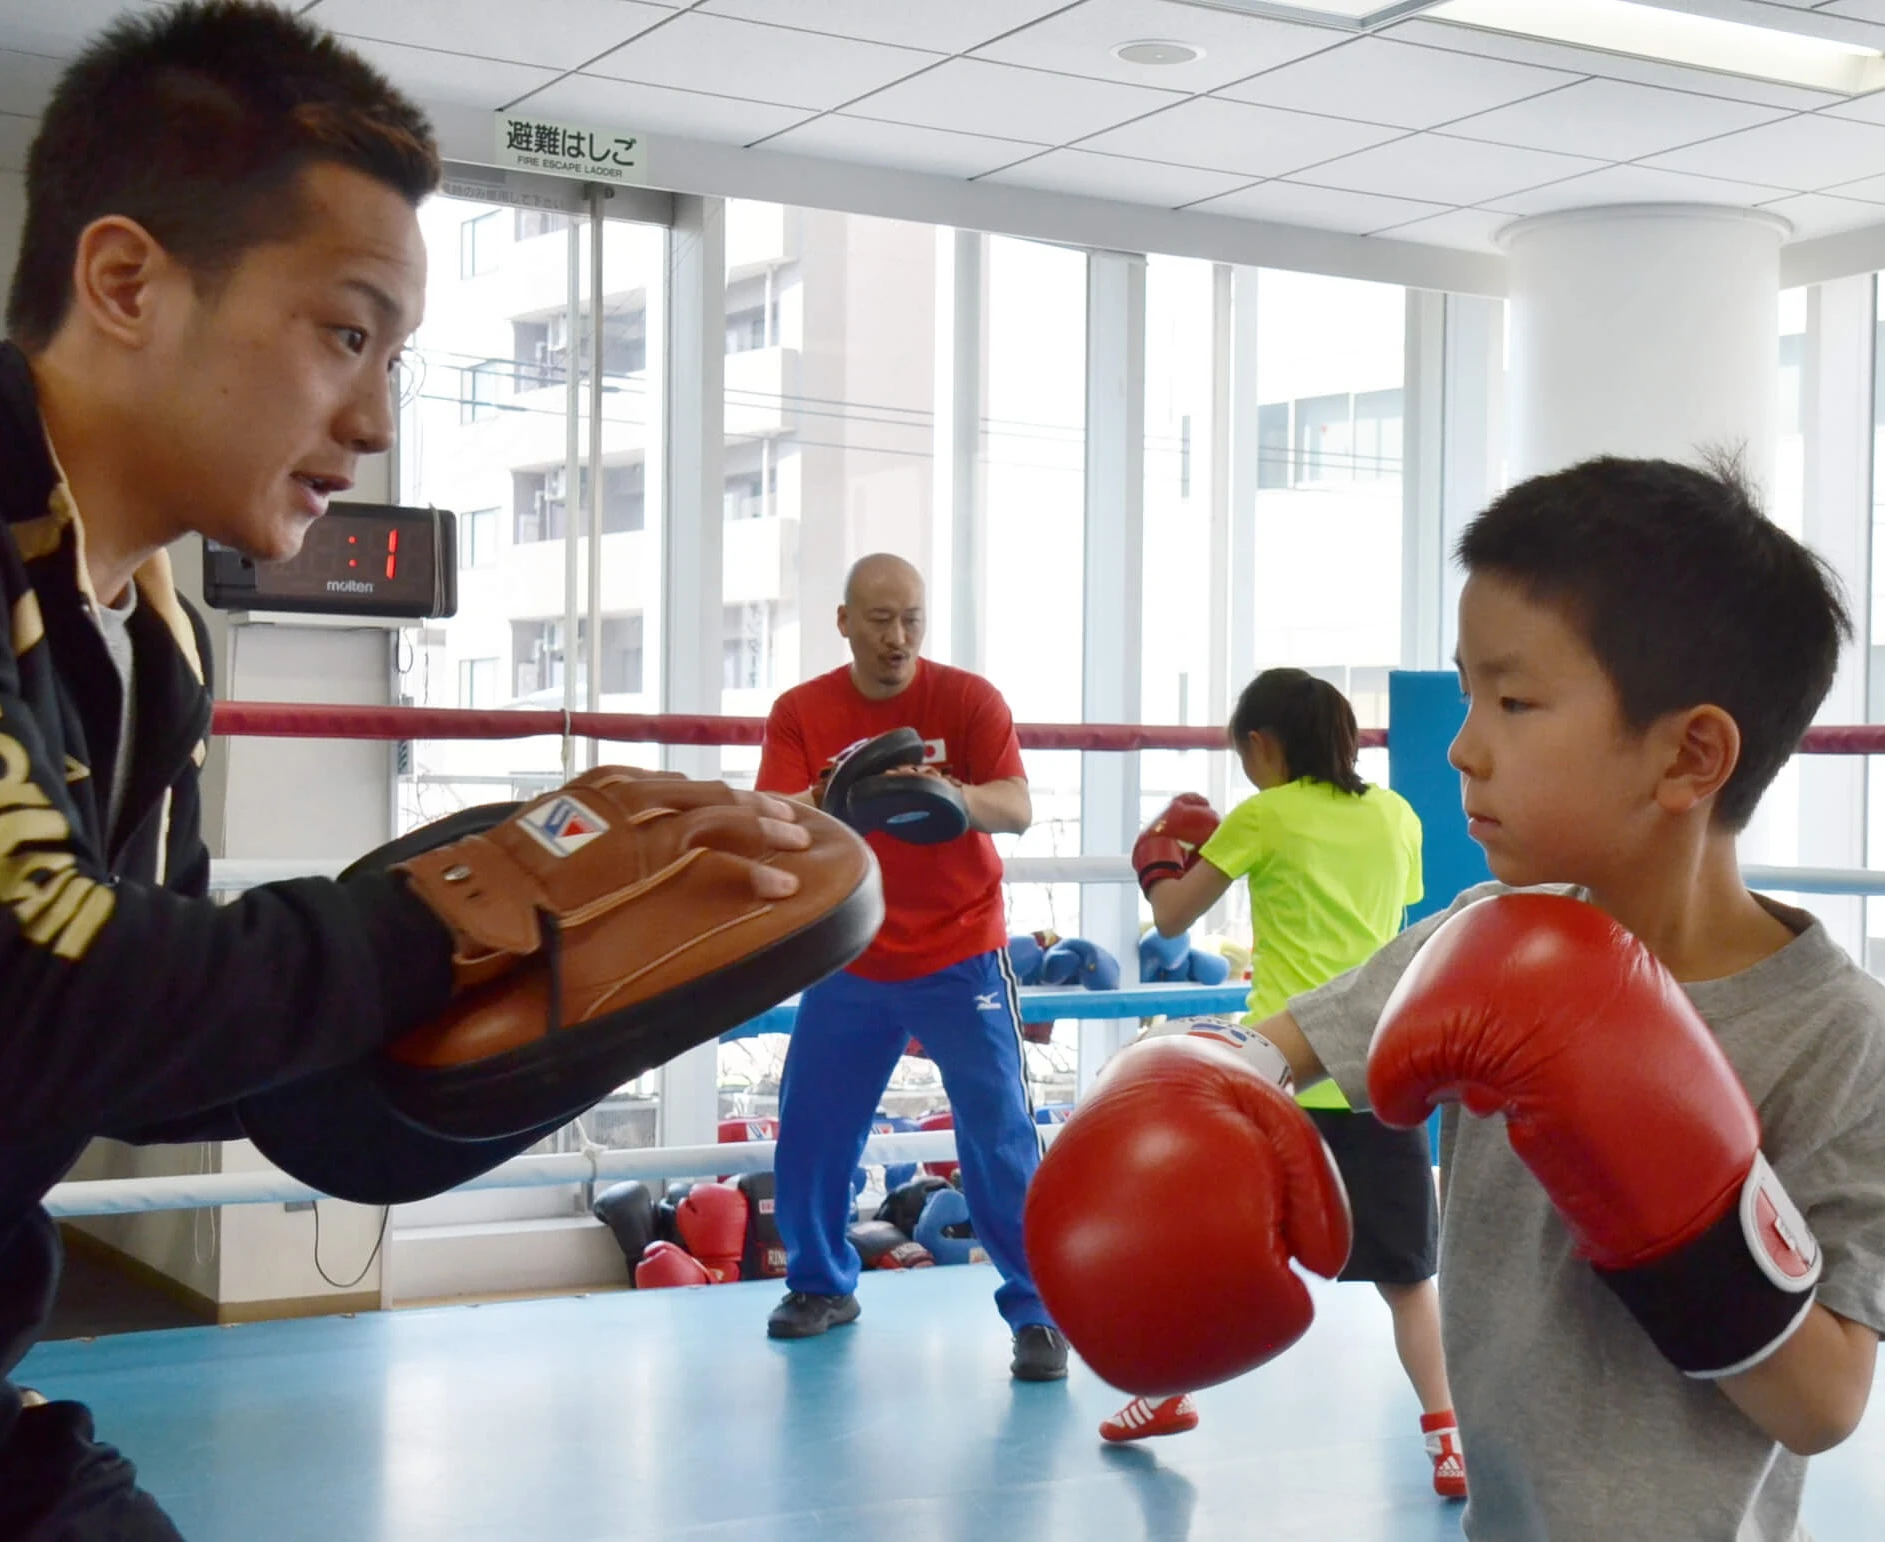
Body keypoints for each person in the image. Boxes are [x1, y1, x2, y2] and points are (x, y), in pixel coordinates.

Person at [0, 7, 817, 1537]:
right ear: (126, 283)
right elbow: (43, 982)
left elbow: (130, 1049)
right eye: (345, 330)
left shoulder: (153, 643)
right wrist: (468, 909)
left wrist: (534, 1018)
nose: (374, 421)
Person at [1027, 456, 1885, 1540]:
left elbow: (1823, 1404)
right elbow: (1263, 1048)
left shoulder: (1839, 1037)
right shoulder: (1483, 934)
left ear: (1690, 755)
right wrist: (1180, 1090)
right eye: (1467, 689)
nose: (1461, 746)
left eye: (1514, 700)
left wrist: (1668, 1184)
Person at [1110, 669, 1464, 1497]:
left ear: (1262, 745)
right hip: (1379, 1070)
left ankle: (1164, 1391)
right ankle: (1448, 1443)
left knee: (1215, 1252)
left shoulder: (1263, 814)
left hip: (1282, 1075)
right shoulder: (1396, 814)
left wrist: (1160, 862)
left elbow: (1169, 919)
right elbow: (1395, 915)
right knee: (1408, 1278)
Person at [756, 553, 1070, 1380]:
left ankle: (1037, 1310)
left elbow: (1018, 805)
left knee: (998, 1134)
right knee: (815, 1129)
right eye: (880, 620)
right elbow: (776, 815)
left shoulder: (967, 699)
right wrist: (846, 794)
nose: (897, 639)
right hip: (848, 950)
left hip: (960, 953)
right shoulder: (802, 709)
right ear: (845, 621)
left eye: (912, 621)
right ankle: (822, 1284)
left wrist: (945, 794)